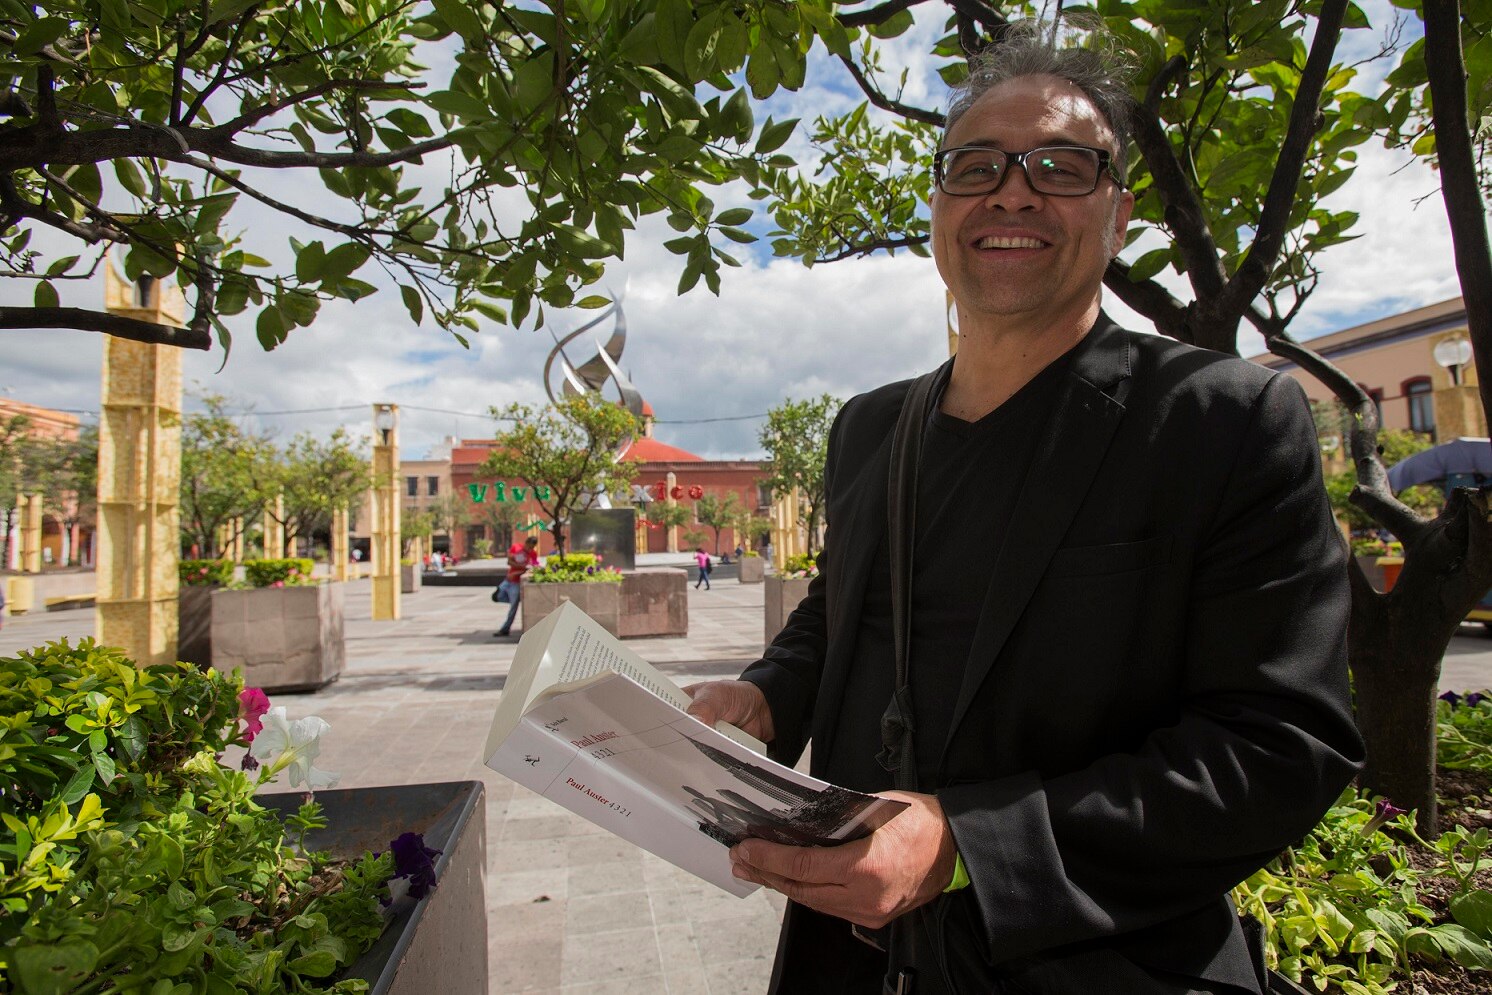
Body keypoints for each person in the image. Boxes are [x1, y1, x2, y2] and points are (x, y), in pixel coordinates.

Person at [685, 21, 1362, 995]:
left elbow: (1280, 745)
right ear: (938, 207)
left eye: (1060, 165)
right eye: (977, 166)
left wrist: (966, 844)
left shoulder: (1223, 420)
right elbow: (842, 614)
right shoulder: (869, 427)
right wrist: (764, 696)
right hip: (845, 960)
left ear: (1118, 215)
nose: (1012, 191)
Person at [494, 536, 539, 637]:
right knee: (497, 596)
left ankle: (505, 628)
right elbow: (509, 561)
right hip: (509, 579)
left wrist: (523, 570)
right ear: (526, 543)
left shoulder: (533, 554)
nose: (530, 549)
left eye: (532, 547)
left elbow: (534, 566)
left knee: (513, 607)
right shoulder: (516, 548)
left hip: (517, 583)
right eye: (529, 547)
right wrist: (522, 567)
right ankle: (515, 599)